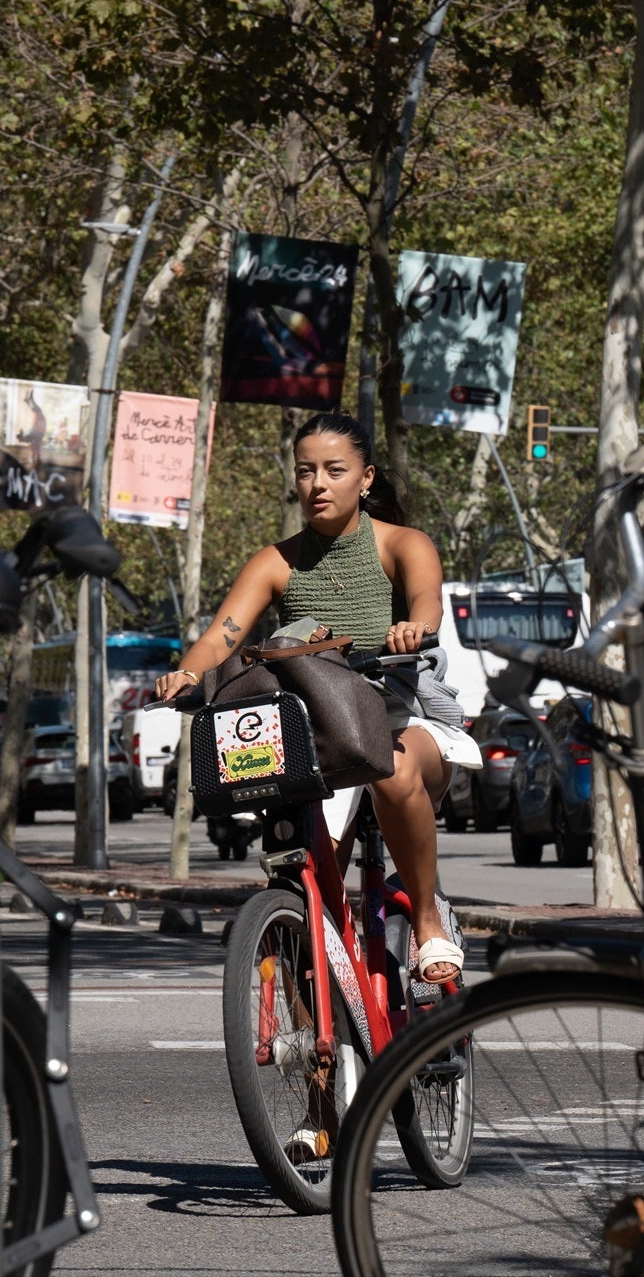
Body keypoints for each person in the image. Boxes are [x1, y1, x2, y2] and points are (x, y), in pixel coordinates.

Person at [156, 412, 479, 984]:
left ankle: (428, 920)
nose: (318, 484)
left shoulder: (402, 544)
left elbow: (427, 599)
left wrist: (414, 629)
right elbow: (221, 636)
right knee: (302, 877)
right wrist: (185, 675)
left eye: (335, 470)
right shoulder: (275, 562)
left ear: (367, 478)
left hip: (403, 720)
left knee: (392, 772)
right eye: (306, 471)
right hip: (322, 738)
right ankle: (317, 1039)